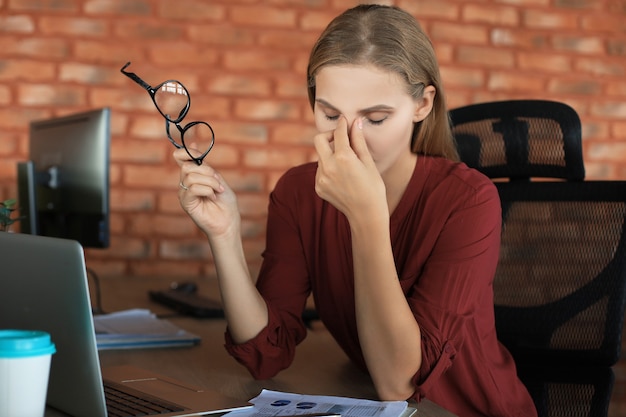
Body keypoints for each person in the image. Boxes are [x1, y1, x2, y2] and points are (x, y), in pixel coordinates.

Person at [174, 4, 537, 417]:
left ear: (422, 106)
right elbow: (266, 355)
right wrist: (224, 237)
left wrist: (366, 215)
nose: (348, 139)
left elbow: (399, 383)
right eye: (330, 114)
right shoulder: (298, 192)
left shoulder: (469, 201)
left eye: (376, 118)